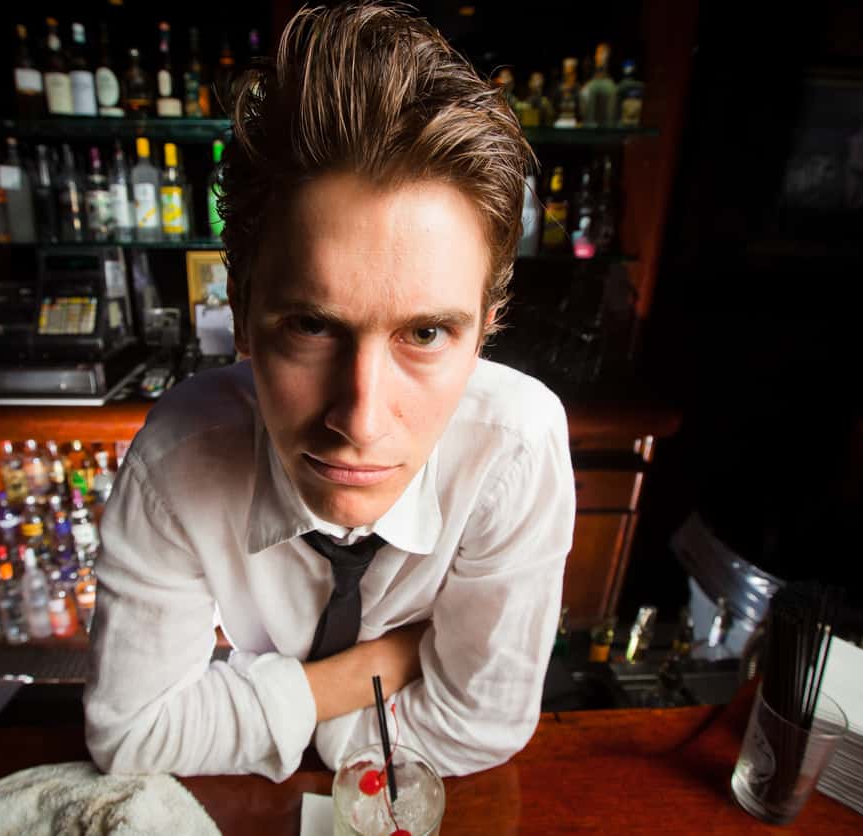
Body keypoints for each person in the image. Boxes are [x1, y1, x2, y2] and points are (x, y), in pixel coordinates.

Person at [84, 2, 576, 780]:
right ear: (242, 314)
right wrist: (389, 663)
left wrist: (274, 714)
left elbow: (479, 728)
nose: (361, 421)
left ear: (486, 331)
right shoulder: (179, 452)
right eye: (311, 325)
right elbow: (133, 736)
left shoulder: (516, 445)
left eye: (425, 334)